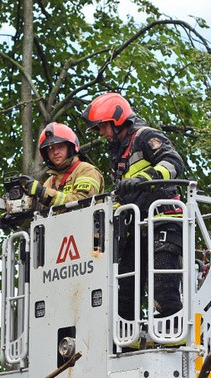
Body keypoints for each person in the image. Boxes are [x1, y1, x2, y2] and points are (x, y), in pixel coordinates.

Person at [82, 92, 185, 323]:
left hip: (163, 221)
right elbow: (123, 194)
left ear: (117, 119)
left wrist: (143, 179)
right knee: (125, 294)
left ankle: (172, 336)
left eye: (102, 126)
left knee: (164, 289)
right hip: (135, 229)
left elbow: (174, 162)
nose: (100, 133)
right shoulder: (118, 154)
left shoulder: (145, 136)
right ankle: (130, 340)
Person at [20, 122, 104, 208]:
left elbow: (84, 203)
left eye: (60, 146)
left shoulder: (86, 170)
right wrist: (25, 203)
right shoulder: (49, 182)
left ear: (70, 147)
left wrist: (43, 193)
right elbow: (41, 211)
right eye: (50, 148)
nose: (55, 152)